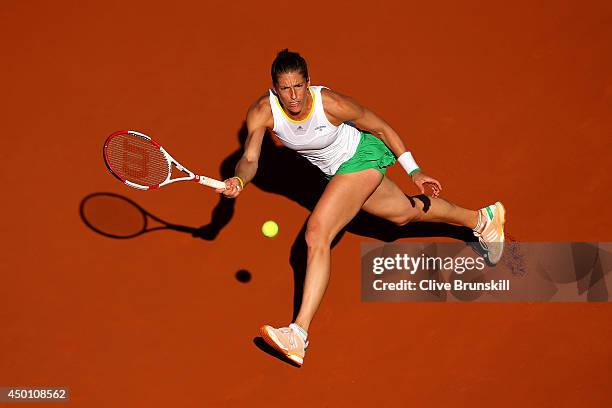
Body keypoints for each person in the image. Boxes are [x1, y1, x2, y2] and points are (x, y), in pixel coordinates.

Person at [218, 49, 505, 366]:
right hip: (338, 173)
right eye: (285, 89)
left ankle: (298, 334)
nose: (293, 96)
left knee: (317, 234)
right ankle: (482, 218)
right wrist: (239, 181)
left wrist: (414, 170)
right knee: (402, 214)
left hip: (361, 157)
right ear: (274, 89)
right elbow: (249, 159)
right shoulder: (262, 113)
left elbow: (381, 127)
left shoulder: (331, 104)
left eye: (298, 86)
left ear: (308, 82)